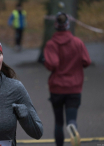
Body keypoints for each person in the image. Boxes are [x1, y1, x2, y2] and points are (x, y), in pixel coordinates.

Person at [43, 12, 91, 146]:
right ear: (68, 25)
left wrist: (45, 61)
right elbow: (86, 61)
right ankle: (72, 126)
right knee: (71, 118)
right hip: (74, 87)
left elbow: (52, 64)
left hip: (57, 88)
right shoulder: (78, 42)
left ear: (56, 26)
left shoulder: (51, 44)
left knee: (58, 122)